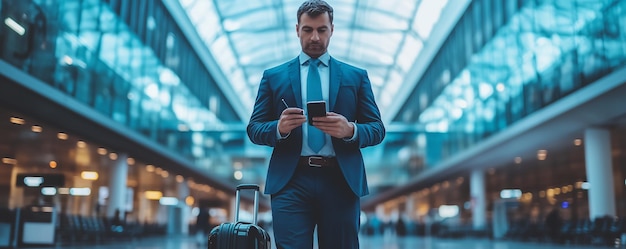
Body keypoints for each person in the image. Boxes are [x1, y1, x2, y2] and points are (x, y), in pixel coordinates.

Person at [247, 1, 385, 248]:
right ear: (297, 29)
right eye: (308, 29)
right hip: (291, 180)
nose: (314, 37)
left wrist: (351, 130)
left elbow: (377, 128)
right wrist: (279, 128)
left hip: (341, 180)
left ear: (332, 29)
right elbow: (254, 128)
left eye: (321, 30)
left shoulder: (357, 76)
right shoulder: (273, 76)